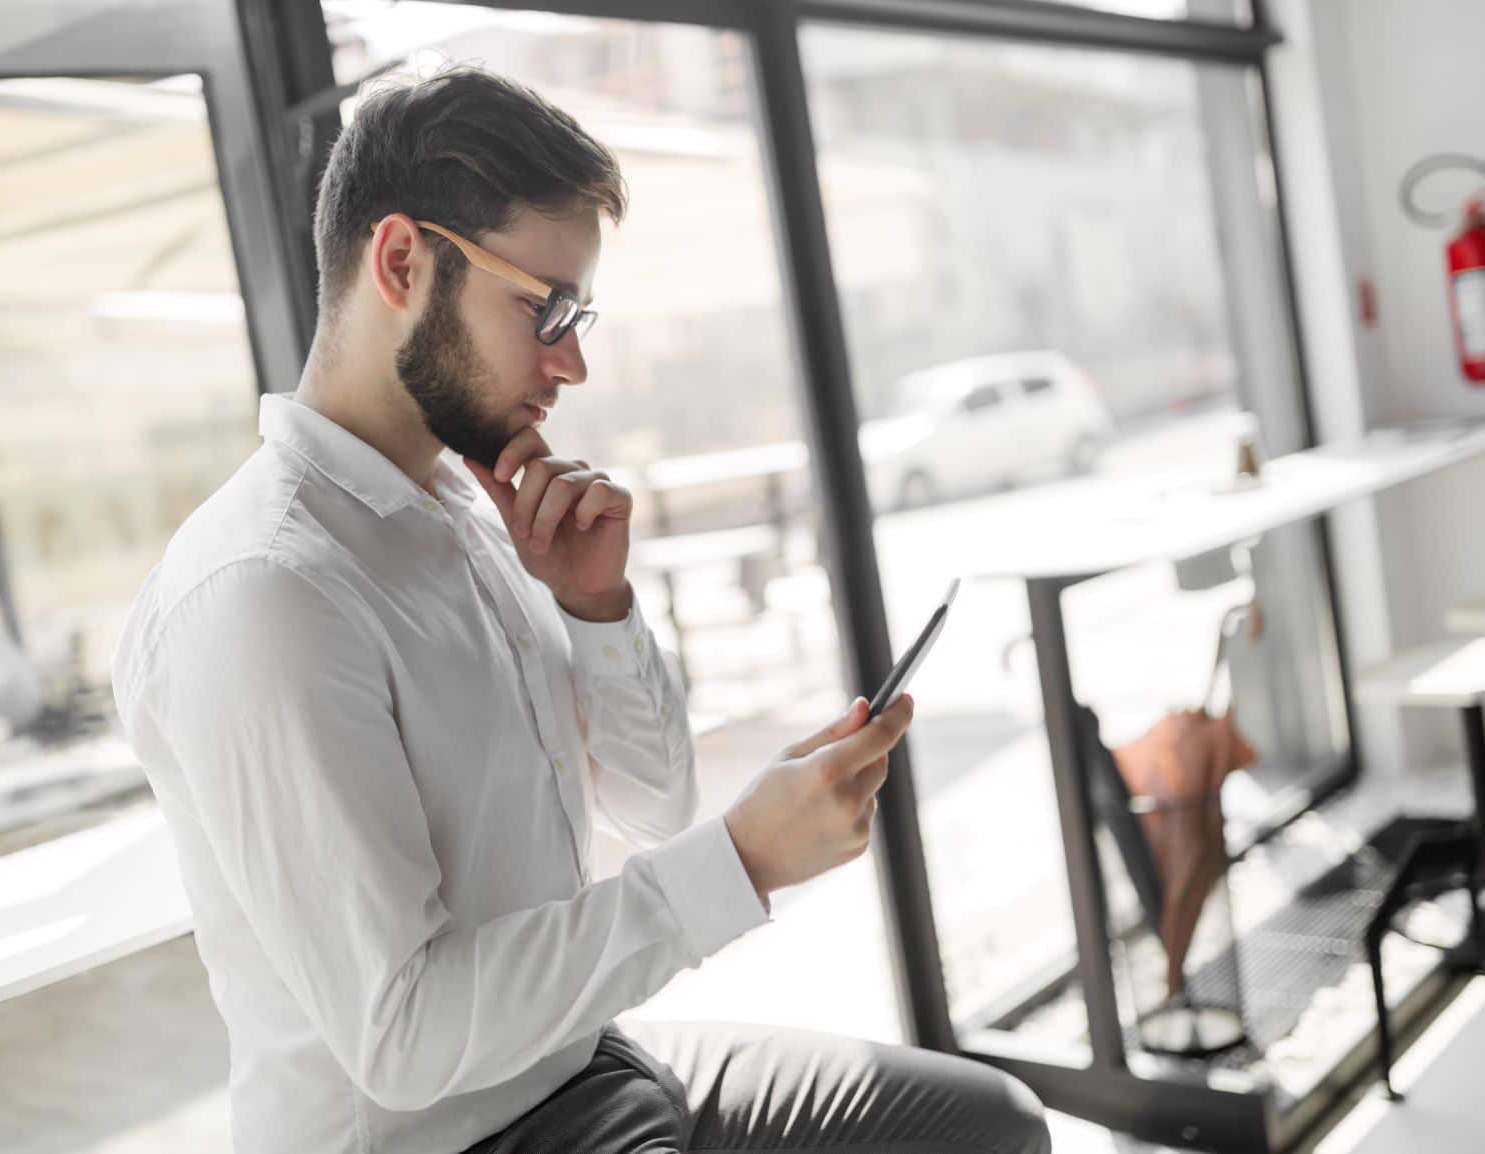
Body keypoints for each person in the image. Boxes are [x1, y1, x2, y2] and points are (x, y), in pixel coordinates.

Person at [110, 65, 1050, 1154]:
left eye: (578, 311)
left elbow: (650, 805)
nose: (573, 361)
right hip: (448, 1137)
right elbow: (403, 1037)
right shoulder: (266, 592)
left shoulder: (468, 504)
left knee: (990, 1127)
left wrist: (597, 610)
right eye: (543, 307)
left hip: (584, 1060)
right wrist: (740, 860)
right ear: (403, 261)